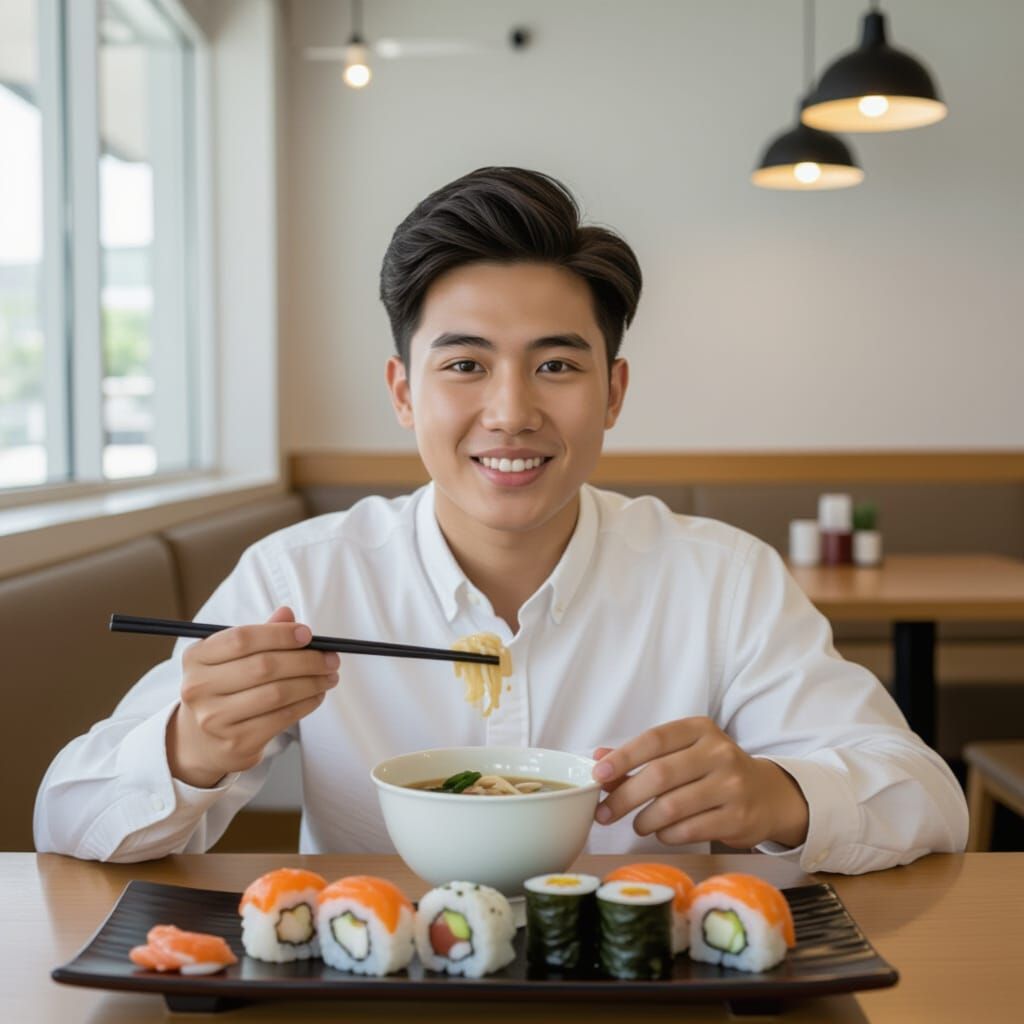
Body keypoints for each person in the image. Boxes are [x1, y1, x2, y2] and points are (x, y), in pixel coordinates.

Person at [34, 167, 967, 870]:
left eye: (557, 366)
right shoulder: (301, 579)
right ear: (403, 392)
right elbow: (66, 820)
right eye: (465, 365)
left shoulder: (721, 578)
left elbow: (928, 796)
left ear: (614, 392)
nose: (512, 412)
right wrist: (193, 748)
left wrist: (780, 797)